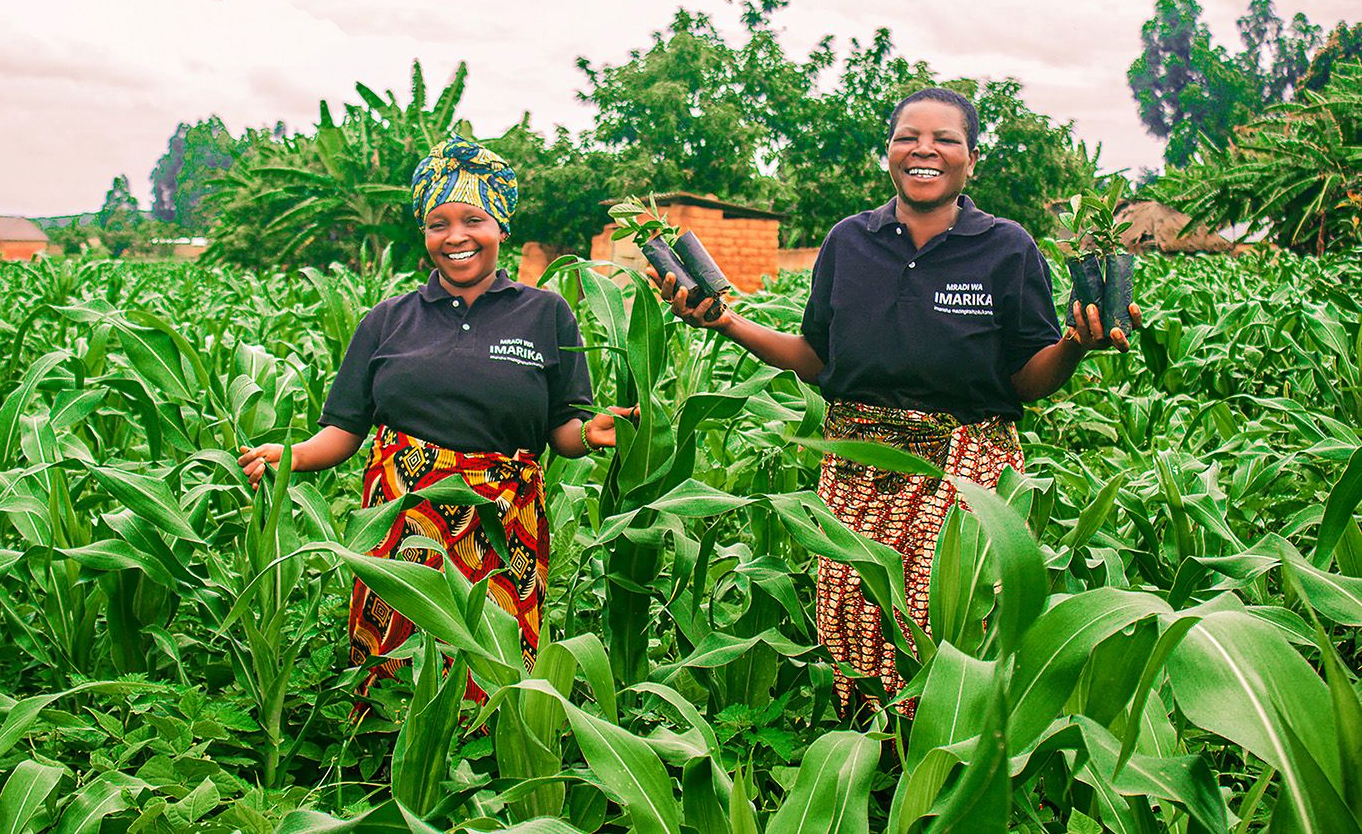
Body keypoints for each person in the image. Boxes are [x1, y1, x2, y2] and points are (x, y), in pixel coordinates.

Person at [648, 87, 1141, 715]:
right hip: (856, 467)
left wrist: (1075, 343)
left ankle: (943, 751)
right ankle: (870, 755)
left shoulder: (1007, 247)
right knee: (851, 626)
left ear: (972, 159)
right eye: (908, 137)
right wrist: (726, 323)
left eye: (945, 139)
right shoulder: (849, 242)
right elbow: (817, 359)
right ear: (889, 152)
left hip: (963, 468)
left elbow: (1024, 380)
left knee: (945, 627)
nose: (923, 150)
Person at [239, 136, 627, 701]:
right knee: (393, 677)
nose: (455, 237)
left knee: (493, 672)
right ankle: (380, 751)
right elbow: (344, 431)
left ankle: (489, 753)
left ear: (501, 228)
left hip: (503, 527)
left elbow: (562, 431)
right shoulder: (388, 319)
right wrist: (291, 456)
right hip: (401, 524)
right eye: (437, 224)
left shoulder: (545, 313)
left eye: (473, 220)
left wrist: (590, 433)